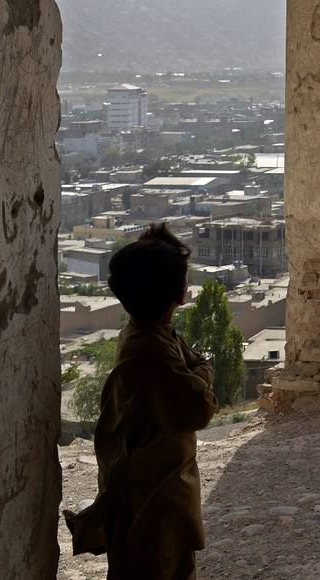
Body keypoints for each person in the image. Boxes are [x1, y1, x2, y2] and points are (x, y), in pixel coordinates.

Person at [89, 223, 219, 579]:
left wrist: (197, 371)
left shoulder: (149, 335)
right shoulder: (150, 350)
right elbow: (199, 405)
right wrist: (205, 372)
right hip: (151, 505)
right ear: (178, 294)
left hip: (154, 496)